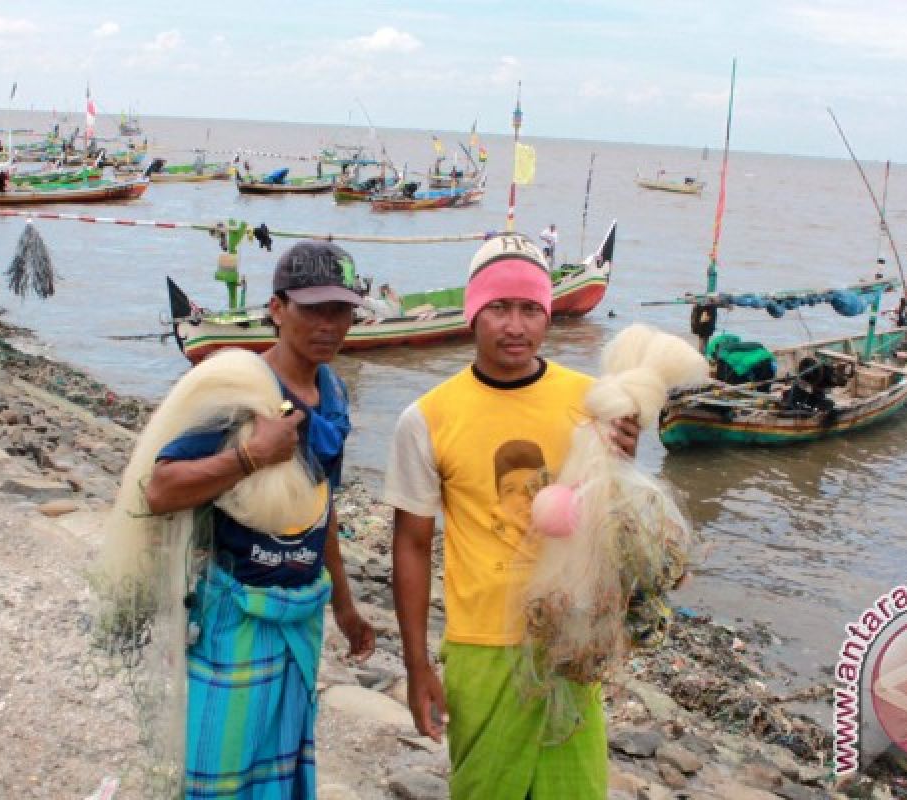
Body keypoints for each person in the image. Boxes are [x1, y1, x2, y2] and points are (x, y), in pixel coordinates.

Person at [384, 233, 639, 799]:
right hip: (481, 644)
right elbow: (411, 545)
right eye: (499, 307)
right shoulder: (427, 418)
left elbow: (617, 515)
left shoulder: (592, 400)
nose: (515, 326)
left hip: (569, 641)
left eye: (530, 309)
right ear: (473, 312)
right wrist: (416, 664)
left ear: (548, 317)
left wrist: (626, 456)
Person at [144, 241, 376, 799]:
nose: (328, 324)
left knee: (280, 765)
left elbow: (321, 507)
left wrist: (345, 607)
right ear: (277, 309)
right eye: (312, 308)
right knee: (217, 772)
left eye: (340, 310)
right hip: (235, 613)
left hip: (302, 613)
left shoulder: (334, 391)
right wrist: (249, 457)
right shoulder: (238, 392)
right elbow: (160, 489)